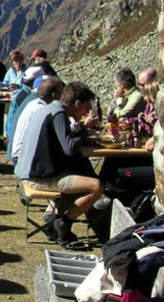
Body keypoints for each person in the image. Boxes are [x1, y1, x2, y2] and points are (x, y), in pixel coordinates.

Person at [15, 81, 103, 248]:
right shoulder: (59, 113)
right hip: (37, 177)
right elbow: (69, 148)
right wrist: (84, 128)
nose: (86, 112)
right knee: (96, 186)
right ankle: (64, 224)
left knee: (79, 174)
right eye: (86, 107)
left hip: (28, 170)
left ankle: (55, 221)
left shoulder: (49, 109)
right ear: (77, 104)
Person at [9, 76, 57, 166]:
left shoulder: (33, 102)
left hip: (18, 152)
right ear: (54, 95)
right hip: (23, 157)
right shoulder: (41, 109)